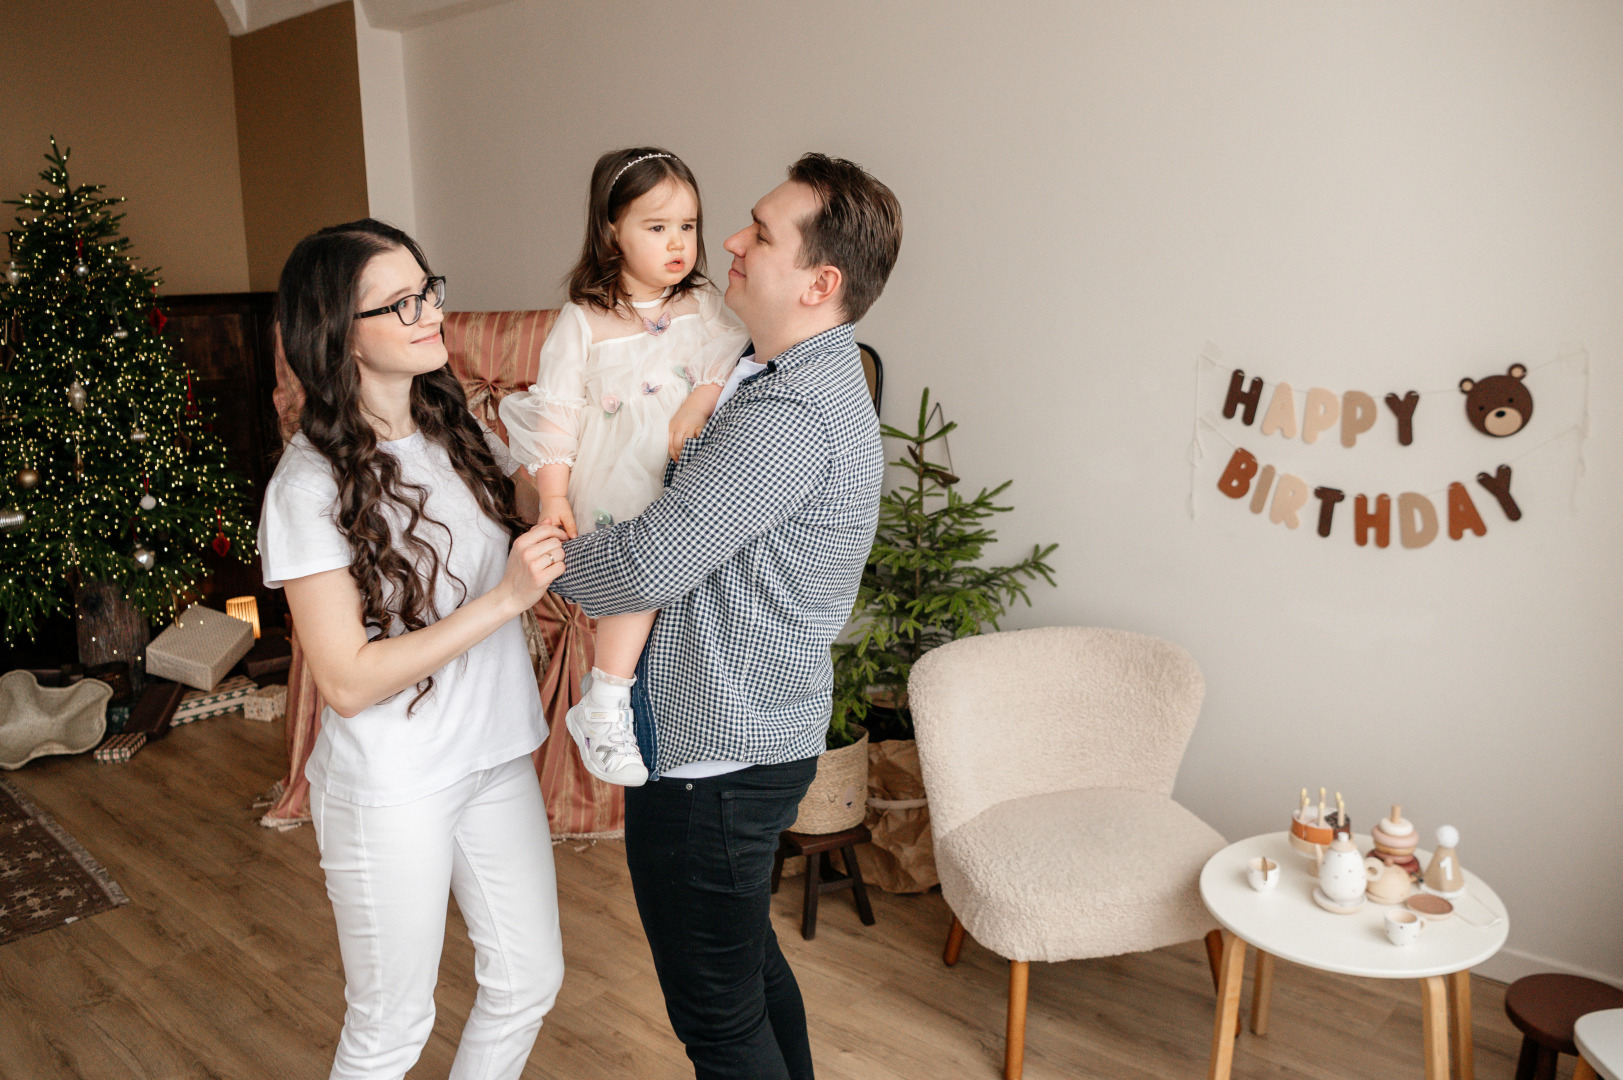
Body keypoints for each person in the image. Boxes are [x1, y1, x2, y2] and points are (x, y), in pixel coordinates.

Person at [546, 153, 903, 1080]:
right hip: (750, 733)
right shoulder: (774, 376)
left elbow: (649, 560)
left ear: (820, 283)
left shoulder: (788, 411)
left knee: (714, 1015)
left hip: (716, 756)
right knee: (743, 971)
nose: (729, 244)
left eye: (760, 232)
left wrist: (538, 555)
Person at [258, 219, 567, 1080]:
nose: (430, 311)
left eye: (428, 289)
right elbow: (348, 683)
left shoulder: (452, 425)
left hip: (494, 755)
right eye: (399, 304)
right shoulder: (306, 485)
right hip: (391, 785)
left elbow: (537, 501)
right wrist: (505, 600)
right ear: (337, 336)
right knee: (391, 1027)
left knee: (528, 978)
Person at [500, 146, 750, 788]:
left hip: (689, 471)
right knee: (641, 584)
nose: (678, 244)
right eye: (657, 227)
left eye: (688, 227)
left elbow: (735, 354)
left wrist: (700, 397)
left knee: (691, 585)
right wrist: (552, 495)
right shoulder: (583, 318)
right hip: (619, 476)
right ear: (612, 229)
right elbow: (557, 413)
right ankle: (605, 703)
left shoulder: (703, 301)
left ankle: (671, 702)